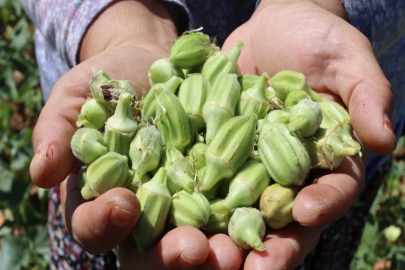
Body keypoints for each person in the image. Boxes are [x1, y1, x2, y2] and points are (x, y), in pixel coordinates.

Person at [21, 0, 405, 269]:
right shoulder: (149, 124)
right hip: (114, 206)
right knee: (113, 223)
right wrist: (117, 25)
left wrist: (318, 3)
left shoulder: (252, 113)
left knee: (304, 239)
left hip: (316, 196)